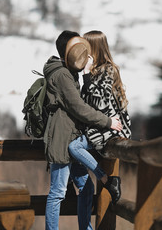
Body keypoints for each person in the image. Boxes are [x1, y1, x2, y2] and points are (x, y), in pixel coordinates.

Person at [43, 30, 122, 230]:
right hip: (62, 140)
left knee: (86, 189)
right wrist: (107, 122)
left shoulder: (68, 72)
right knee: (57, 193)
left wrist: (85, 74)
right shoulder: (62, 75)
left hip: (71, 138)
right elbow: (79, 107)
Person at [80, 30, 132, 151]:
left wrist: (86, 75)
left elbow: (101, 104)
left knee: (74, 147)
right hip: (98, 129)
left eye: (85, 46)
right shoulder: (95, 70)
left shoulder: (107, 70)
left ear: (93, 48)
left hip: (108, 132)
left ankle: (99, 172)